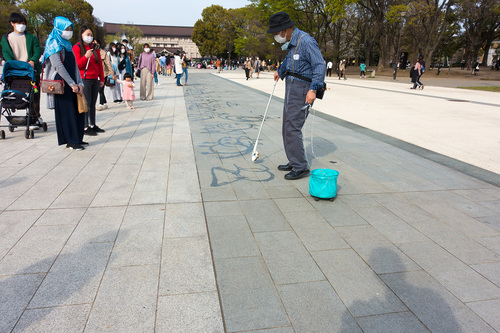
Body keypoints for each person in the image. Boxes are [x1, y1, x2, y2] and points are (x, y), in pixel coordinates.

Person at [268, 11, 325, 180]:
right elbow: (289, 60)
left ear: (287, 29)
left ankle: (301, 166)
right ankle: (293, 160)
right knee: (287, 125)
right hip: (291, 86)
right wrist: (280, 71)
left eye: (277, 33)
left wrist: (313, 89)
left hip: (303, 88)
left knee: (293, 126)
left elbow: (319, 65)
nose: (276, 36)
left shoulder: (306, 41)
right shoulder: (292, 43)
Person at [42, 16, 85, 150]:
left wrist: (79, 83)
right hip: (62, 83)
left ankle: (77, 138)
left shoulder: (67, 45)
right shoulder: (53, 43)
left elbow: (75, 66)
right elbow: (58, 66)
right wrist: (72, 84)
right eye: (66, 29)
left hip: (73, 83)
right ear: (59, 28)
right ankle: (70, 140)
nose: (69, 31)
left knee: (78, 111)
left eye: (71, 29)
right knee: (67, 112)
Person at [1, 13, 43, 128]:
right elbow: (6, 53)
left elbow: (37, 50)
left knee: (34, 94)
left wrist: (33, 61)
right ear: (12, 24)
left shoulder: (31, 37)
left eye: (23, 23)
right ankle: (15, 115)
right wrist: (13, 64)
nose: (21, 25)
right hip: (15, 72)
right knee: (17, 94)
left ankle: (35, 116)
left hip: (31, 71)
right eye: (19, 23)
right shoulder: (6, 39)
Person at [73, 25, 105, 136]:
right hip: (84, 79)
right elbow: (77, 65)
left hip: (94, 79)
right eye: (87, 34)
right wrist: (86, 56)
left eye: (91, 35)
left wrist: (101, 78)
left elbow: (99, 64)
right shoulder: (77, 47)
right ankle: (85, 126)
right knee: (86, 103)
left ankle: (92, 124)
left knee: (92, 103)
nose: (89, 37)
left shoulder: (94, 48)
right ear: (81, 35)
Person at [96, 39, 113, 111]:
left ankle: (100, 104)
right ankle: (105, 102)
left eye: (97, 43)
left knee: (101, 89)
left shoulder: (103, 52)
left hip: (103, 73)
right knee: (100, 90)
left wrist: (112, 73)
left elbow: (108, 63)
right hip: (95, 74)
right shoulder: (91, 52)